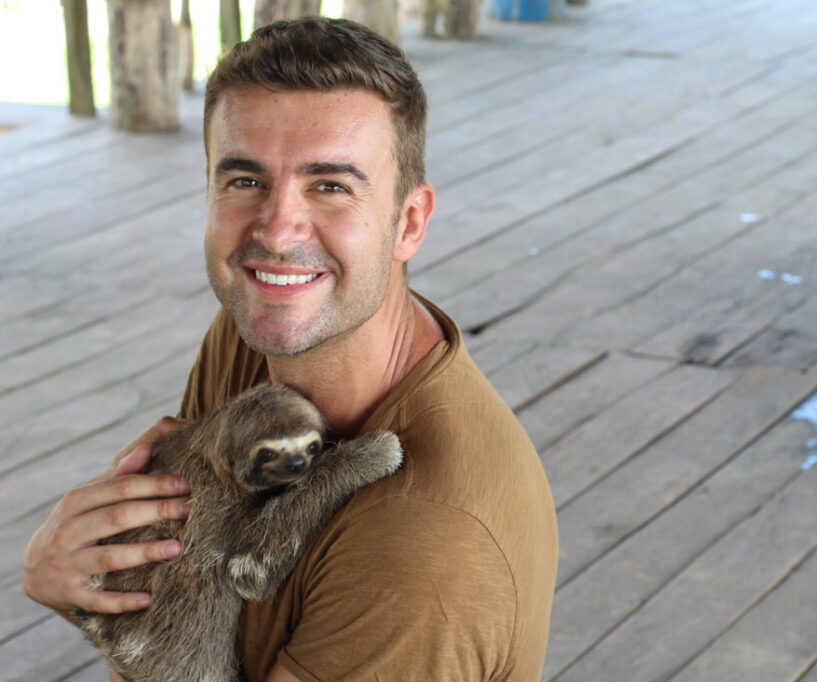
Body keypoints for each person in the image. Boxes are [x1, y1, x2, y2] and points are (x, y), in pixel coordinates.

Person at [22, 17, 558, 681]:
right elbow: (174, 600)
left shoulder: (424, 541)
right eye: (245, 181)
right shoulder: (259, 335)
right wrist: (75, 582)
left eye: (330, 185)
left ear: (409, 222)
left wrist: (85, 608)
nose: (277, 232)